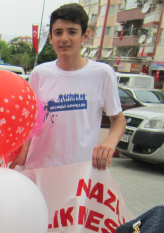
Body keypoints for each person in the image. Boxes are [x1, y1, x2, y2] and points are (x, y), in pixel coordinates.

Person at [10, 3, 127, 171]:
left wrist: (109, 143)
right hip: (39, 169)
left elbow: (118, 119)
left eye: (72, 32)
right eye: (58, 33)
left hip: (81, 172)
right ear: (50, 38)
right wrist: (23, 150)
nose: (64, 38)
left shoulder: (102, 74)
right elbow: (30, 119)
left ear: (85, 35)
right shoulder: (39, 74)